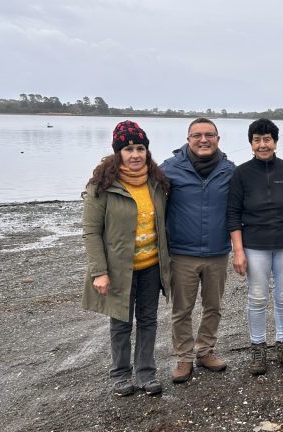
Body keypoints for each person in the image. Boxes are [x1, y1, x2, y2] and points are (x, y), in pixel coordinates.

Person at [81, 120, 172, 396]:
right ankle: (120, 375)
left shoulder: (157, 183)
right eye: (129, 149)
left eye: (140, 148)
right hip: (119, 270)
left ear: (147, 151)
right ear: (118, 152)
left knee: (148, 321)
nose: (135, 155)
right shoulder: (102, 186)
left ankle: (146, 373)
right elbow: (91, 232)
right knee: (120, 323)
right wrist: (99, 271)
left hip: (151, 267)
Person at [227, 118, 283, 375]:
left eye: (267, 139)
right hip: (254, 245)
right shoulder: (241, 173)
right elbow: (233, 213)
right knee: (258, 297)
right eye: (257, 140)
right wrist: (238, 250)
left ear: (275, 141)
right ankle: (258, 347)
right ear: (251, 143)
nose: (262, 144)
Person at [160, 118, 235, 383]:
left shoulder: (229, 170)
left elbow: (250, 199)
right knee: (182, 309)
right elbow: (143, 190)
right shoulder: (169, 169)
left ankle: (205, 351)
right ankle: (184, 358)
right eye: (197, 135)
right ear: (188, 138)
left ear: (218, 138)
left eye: (209, 135)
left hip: (217, 252)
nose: (203, 140)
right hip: (182, 253)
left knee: (213, 306)